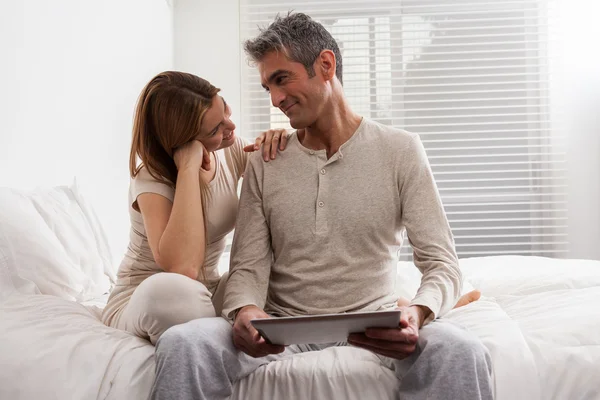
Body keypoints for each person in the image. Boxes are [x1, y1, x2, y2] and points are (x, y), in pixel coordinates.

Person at [150, 12, 492, 400]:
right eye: (267, 88)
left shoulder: (400, 150)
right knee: (183, 343)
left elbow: (443, 264)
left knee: (461, 350)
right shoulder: (266, 160)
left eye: (282, 79)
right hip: (280, 328)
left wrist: (416, 314)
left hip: (375, 326)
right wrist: (244, 311)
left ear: (325, 66)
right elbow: (247, 266)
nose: (276, 99)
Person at [101, 71, 290, 344]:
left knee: (277, 281)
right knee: (173, 293)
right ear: (182, 140)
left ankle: (213, 328)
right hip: (148, 298)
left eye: (224, 110)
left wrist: (278, 142)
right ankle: (212, 329)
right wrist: (188, 167)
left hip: (209, 294)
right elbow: (183, 268)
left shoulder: (229, 147)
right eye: (215, 129)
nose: (231, 126)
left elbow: (283, 183)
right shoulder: (151, 178)